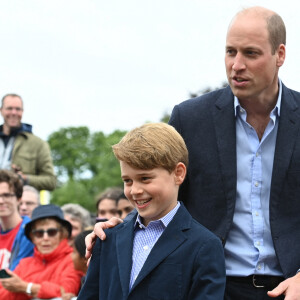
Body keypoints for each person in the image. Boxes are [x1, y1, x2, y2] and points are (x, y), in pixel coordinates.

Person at [86, 6, 300, 300]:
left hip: (292, 287)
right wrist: (116, 234)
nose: (236, 65)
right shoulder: (191, 118)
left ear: (280, 55)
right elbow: (163, 193)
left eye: (250, 53)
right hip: (206, 285)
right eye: (230, 52)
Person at [78, 123, 226, 300]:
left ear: (178, 173)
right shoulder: (108, 238)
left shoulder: (204, 245)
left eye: (145, 178)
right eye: (128, 181)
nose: (135, 191)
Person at [0, 204, 83, 299]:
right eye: (39, 233)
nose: (45, 238)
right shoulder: (24, 263)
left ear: (62, 234)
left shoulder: (72, 259)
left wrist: (25, 287)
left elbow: (66, 292)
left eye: (52, 232)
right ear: (32, 237)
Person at [0, 93, 56, 191]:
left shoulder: (38, 144)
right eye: (9, 108)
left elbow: (51, 181)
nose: (14, 112)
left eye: (18, 109)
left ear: (23, 111)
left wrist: (25, 179)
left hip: (21, 203)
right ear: (1, 110)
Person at [0, 170, 34, 271]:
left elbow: (17, 275)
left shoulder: (30, 232)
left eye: (6, 195)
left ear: (19, 198)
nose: (1, 201)